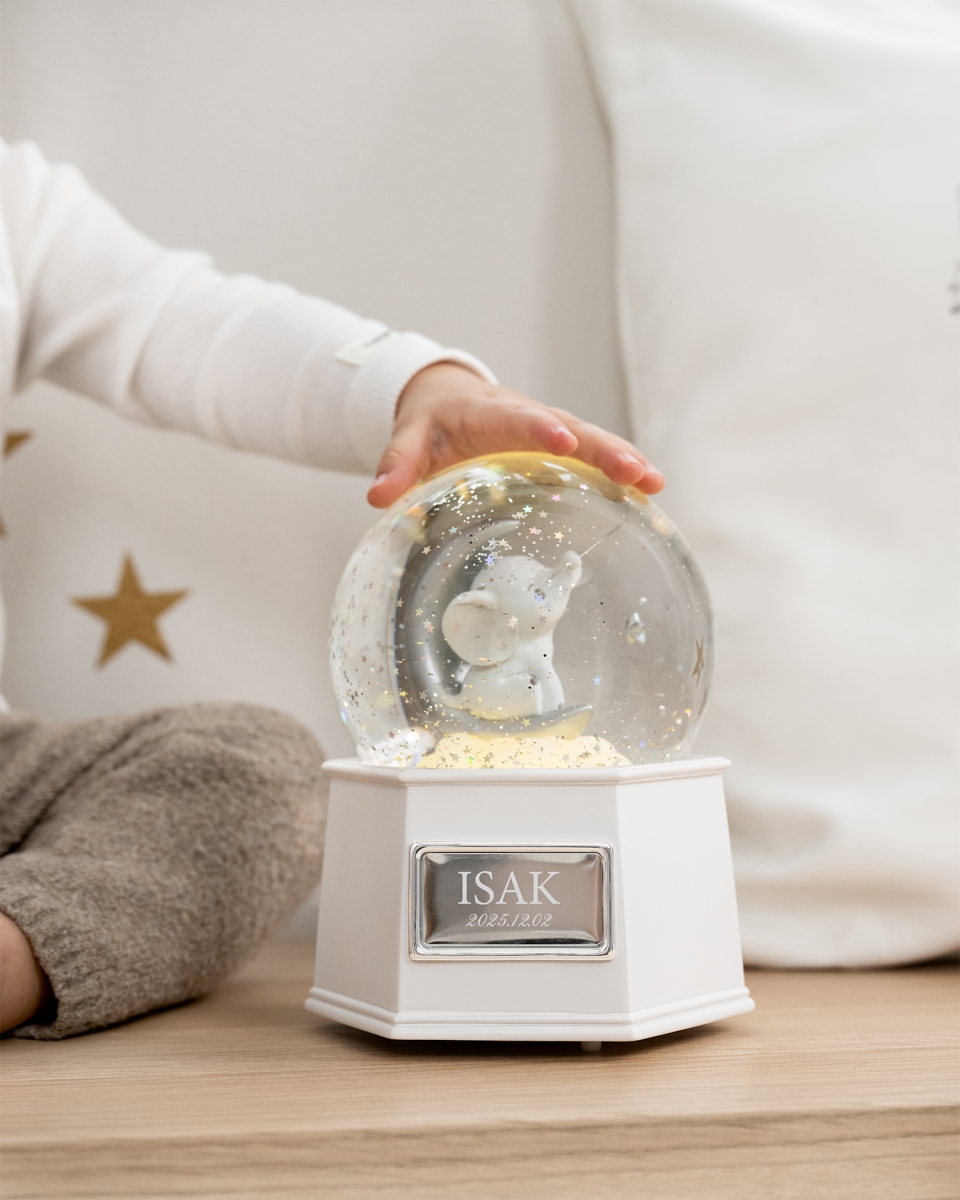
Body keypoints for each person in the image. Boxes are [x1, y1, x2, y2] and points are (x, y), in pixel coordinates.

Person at [0, 138, 663, 1037]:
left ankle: (15, 957)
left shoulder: (14, 205)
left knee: (254, 771)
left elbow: (181, 325)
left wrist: (420, 389)